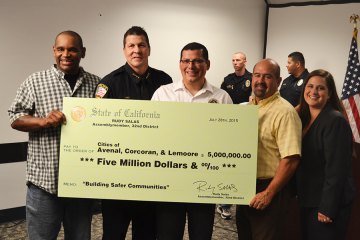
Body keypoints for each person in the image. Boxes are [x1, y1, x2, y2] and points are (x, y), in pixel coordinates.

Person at [8, 31, 100, 240]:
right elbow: (14, 117)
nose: (66, 54)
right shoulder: (35, 81)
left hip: (80, 185)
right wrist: (42, 121)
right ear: (54, 51)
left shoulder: (97, 84)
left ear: (82, 52)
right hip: (44, 184)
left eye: (72, 49)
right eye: (61, 49)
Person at [94, 26, 172, 240]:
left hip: (151, 176)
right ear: (124, 50)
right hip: (118, 178)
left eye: (141, 45)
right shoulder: (108, 83)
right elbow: (97, 129)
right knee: (113, 234)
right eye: (131, 46)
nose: (136, 50)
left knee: (146, 234)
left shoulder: (165, 82)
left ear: (149, 49)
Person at [152, 42, 232, 239]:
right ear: (180, 64)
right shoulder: (163, 94)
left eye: (197, 61)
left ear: (208, 64)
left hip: (205, 183)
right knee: (168, 235)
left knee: (201, 235)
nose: (191, 66)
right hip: (170, 182)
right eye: (186, 61)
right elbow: (152, 137)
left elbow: (230, 140)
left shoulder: (221, 98)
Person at [236, 59, 302, 240]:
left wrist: (268, 193)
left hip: (270, 190)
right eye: (257, 75)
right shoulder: (249, 109)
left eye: (268, 77)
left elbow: (291, 159)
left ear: (278, 81)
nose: (260, 81)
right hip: (246, 188)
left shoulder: (284, 112)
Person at [296, 69, 356, 240]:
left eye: (321, 88)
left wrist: (327, 208)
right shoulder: (303, 118)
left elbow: (336, 170)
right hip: (309, 198)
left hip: (327, 204)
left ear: (329, 94)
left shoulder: (335, 120)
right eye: (310, 86)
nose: (313, 92)